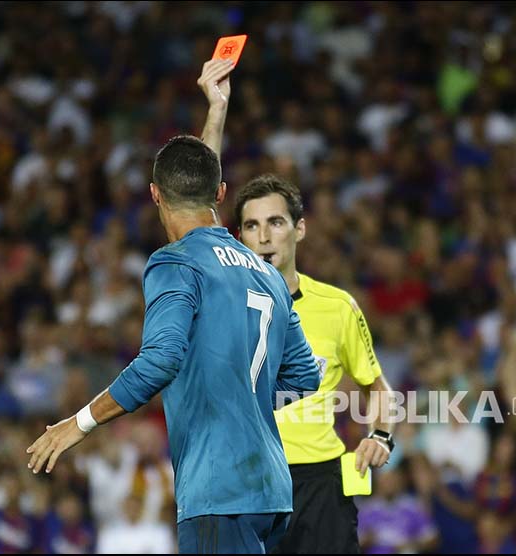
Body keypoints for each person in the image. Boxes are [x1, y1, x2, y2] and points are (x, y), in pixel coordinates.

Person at [26, 59, 321, 555]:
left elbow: (161, 359)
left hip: (216, 492)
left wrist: (77, 424)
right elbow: (305, 376)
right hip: (270, 491)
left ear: (154, 195)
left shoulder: (175, 263)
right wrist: (217, 108)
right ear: (223, 195)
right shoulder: (265, 272)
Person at [234, 174, 395, 554]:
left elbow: (378, 388)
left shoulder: (338, 306)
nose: (264, 237)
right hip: (246, 484)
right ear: (239, 237)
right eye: (251, 225)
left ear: (299, 229)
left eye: (276, 222)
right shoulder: (221, 310)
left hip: (320, 485)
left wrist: (380, 435)